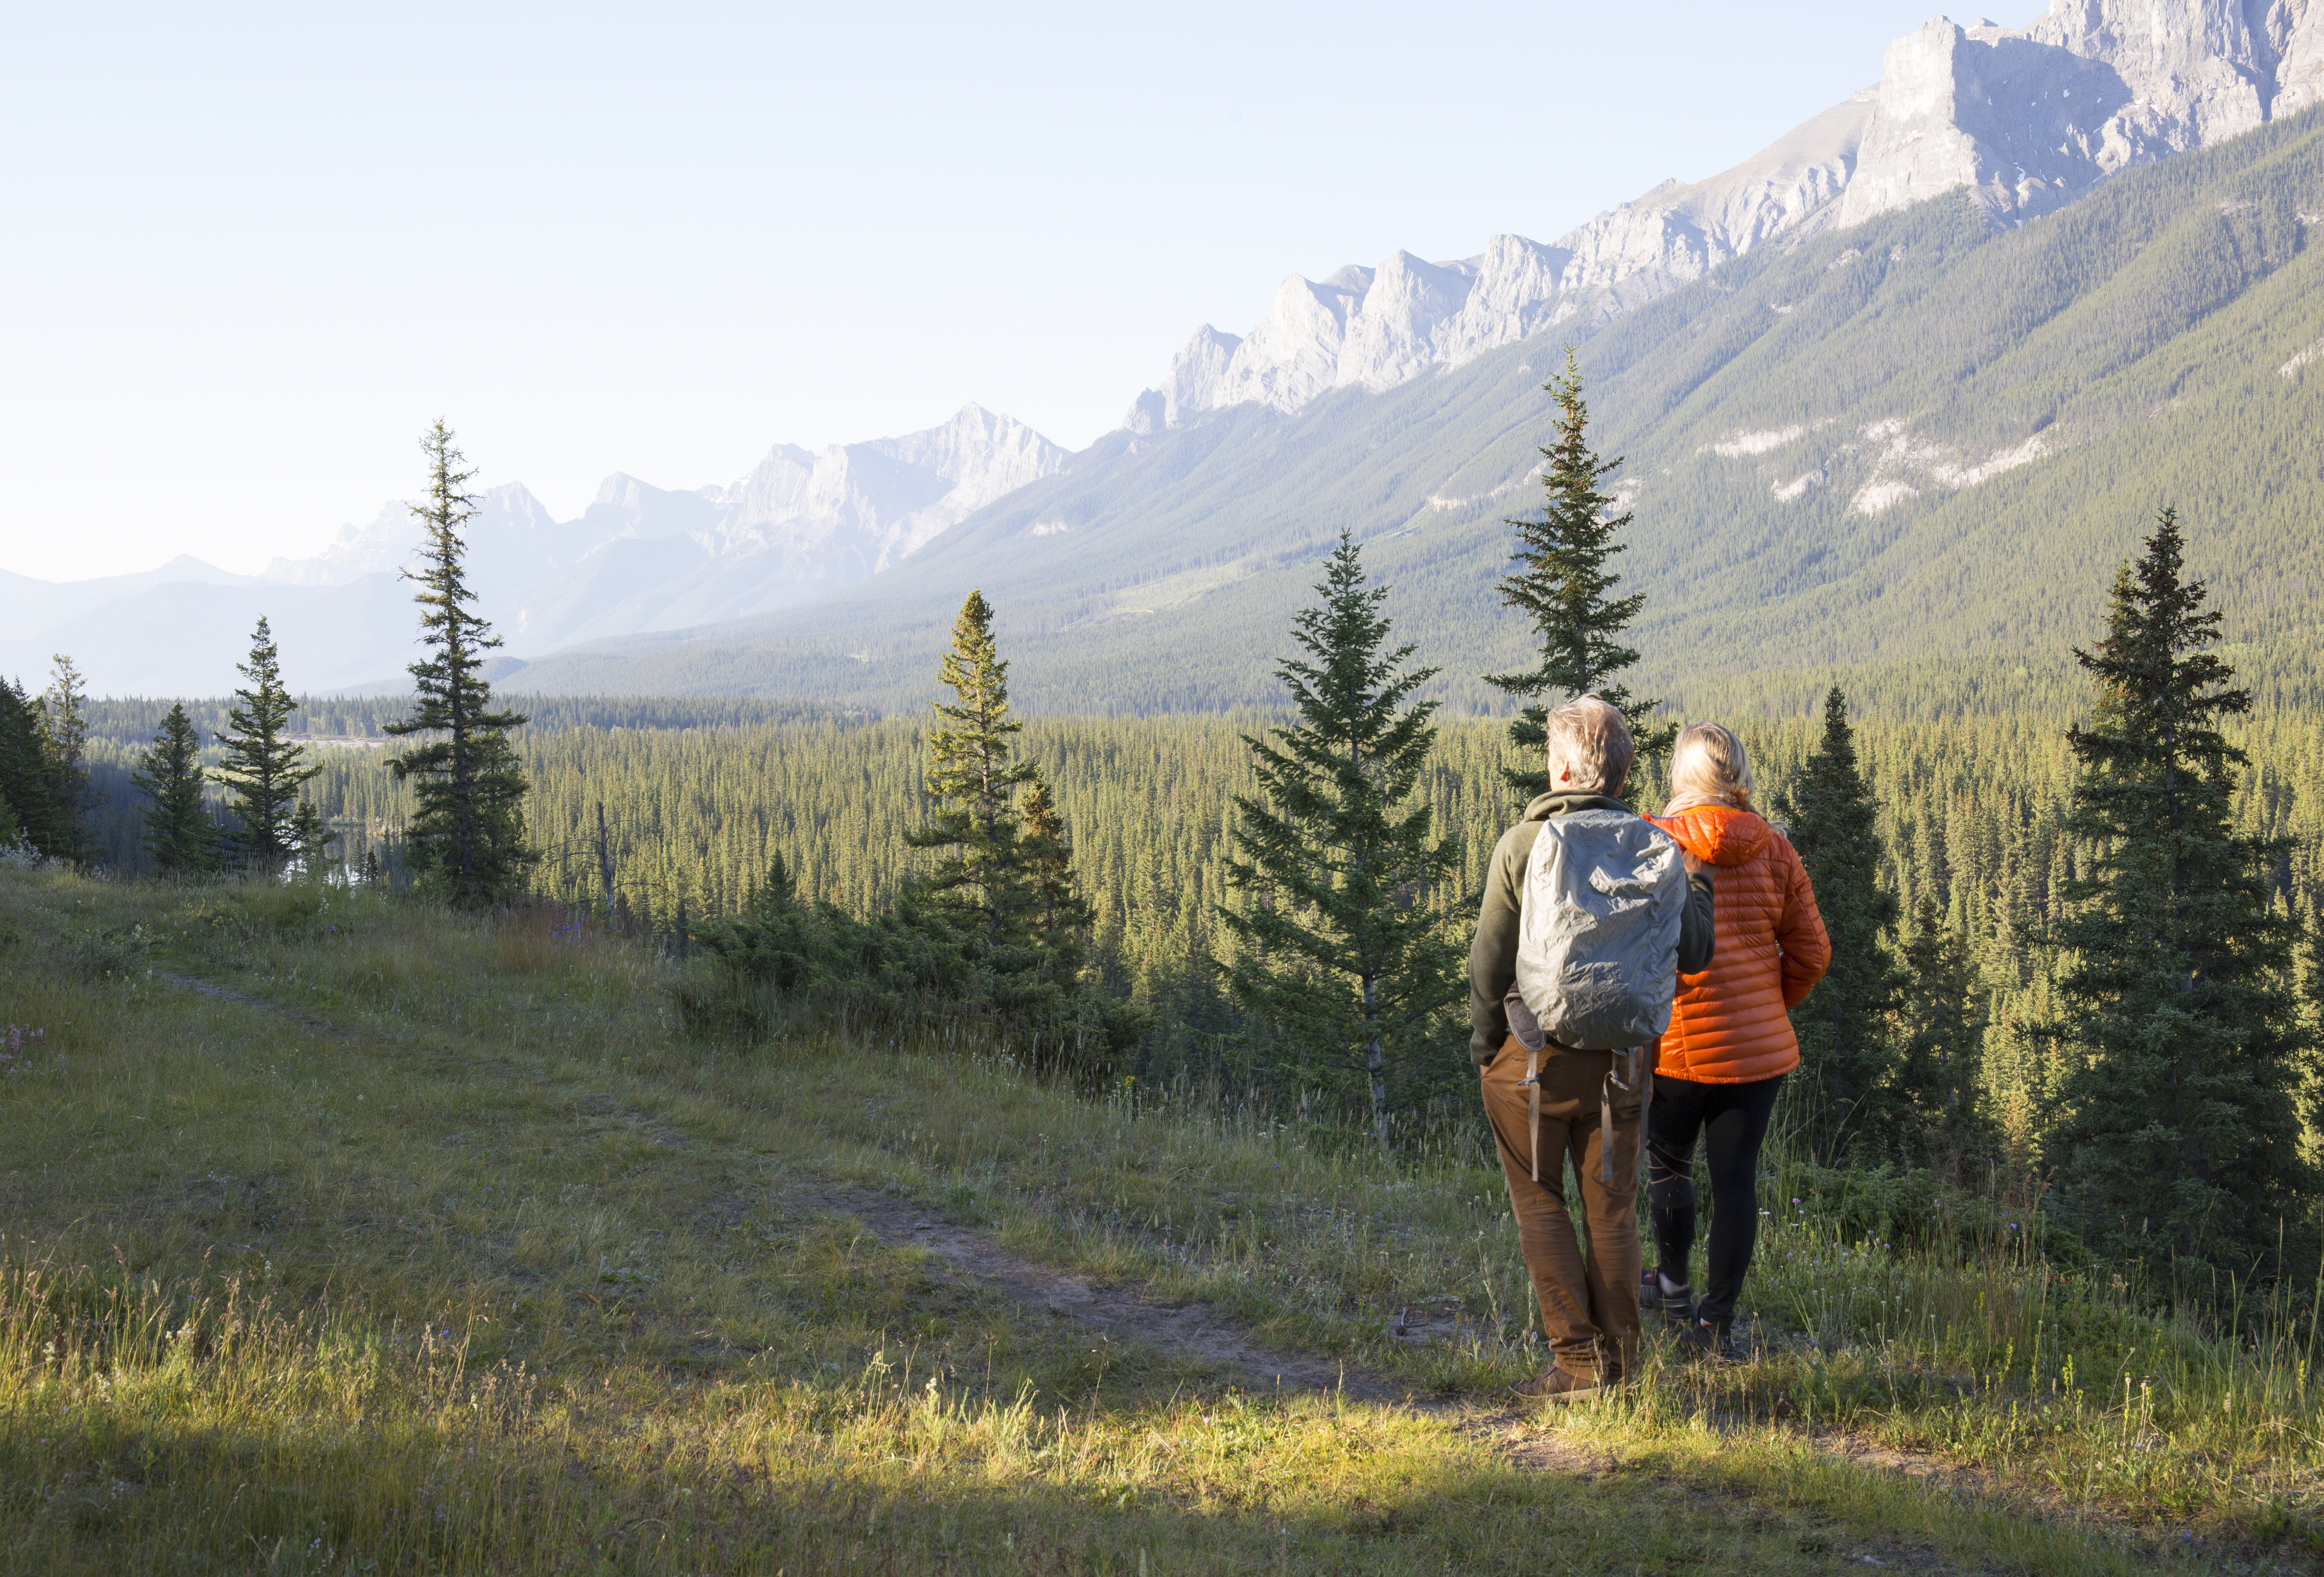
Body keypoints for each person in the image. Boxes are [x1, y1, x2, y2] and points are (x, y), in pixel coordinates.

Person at [1471, 695, 1715, 1403]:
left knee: (1540, 1201)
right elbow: (1694, 952)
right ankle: (1623, 1366)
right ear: (1618, 775)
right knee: (1611, 1209)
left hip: (1534, 1061)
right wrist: (1695, 883)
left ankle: (1577, 1366)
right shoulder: (1657, 847)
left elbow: (1488, 965)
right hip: (1624, 1067)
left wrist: (1489, 1051)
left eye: (1553, 752)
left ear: (1568, 765)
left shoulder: (1523, 845)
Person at [1641, 722, 1830, 1361]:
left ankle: (1672, 1293)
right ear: (1739, 775)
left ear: (1682, 777)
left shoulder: (1656, 845)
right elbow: (1813, 953)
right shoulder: (1775, 850)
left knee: (1669, 1168)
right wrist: (1769, 1005)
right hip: (1758, 1056)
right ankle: (1715, 1326)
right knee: (1737, 1184)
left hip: (1675, 1047)